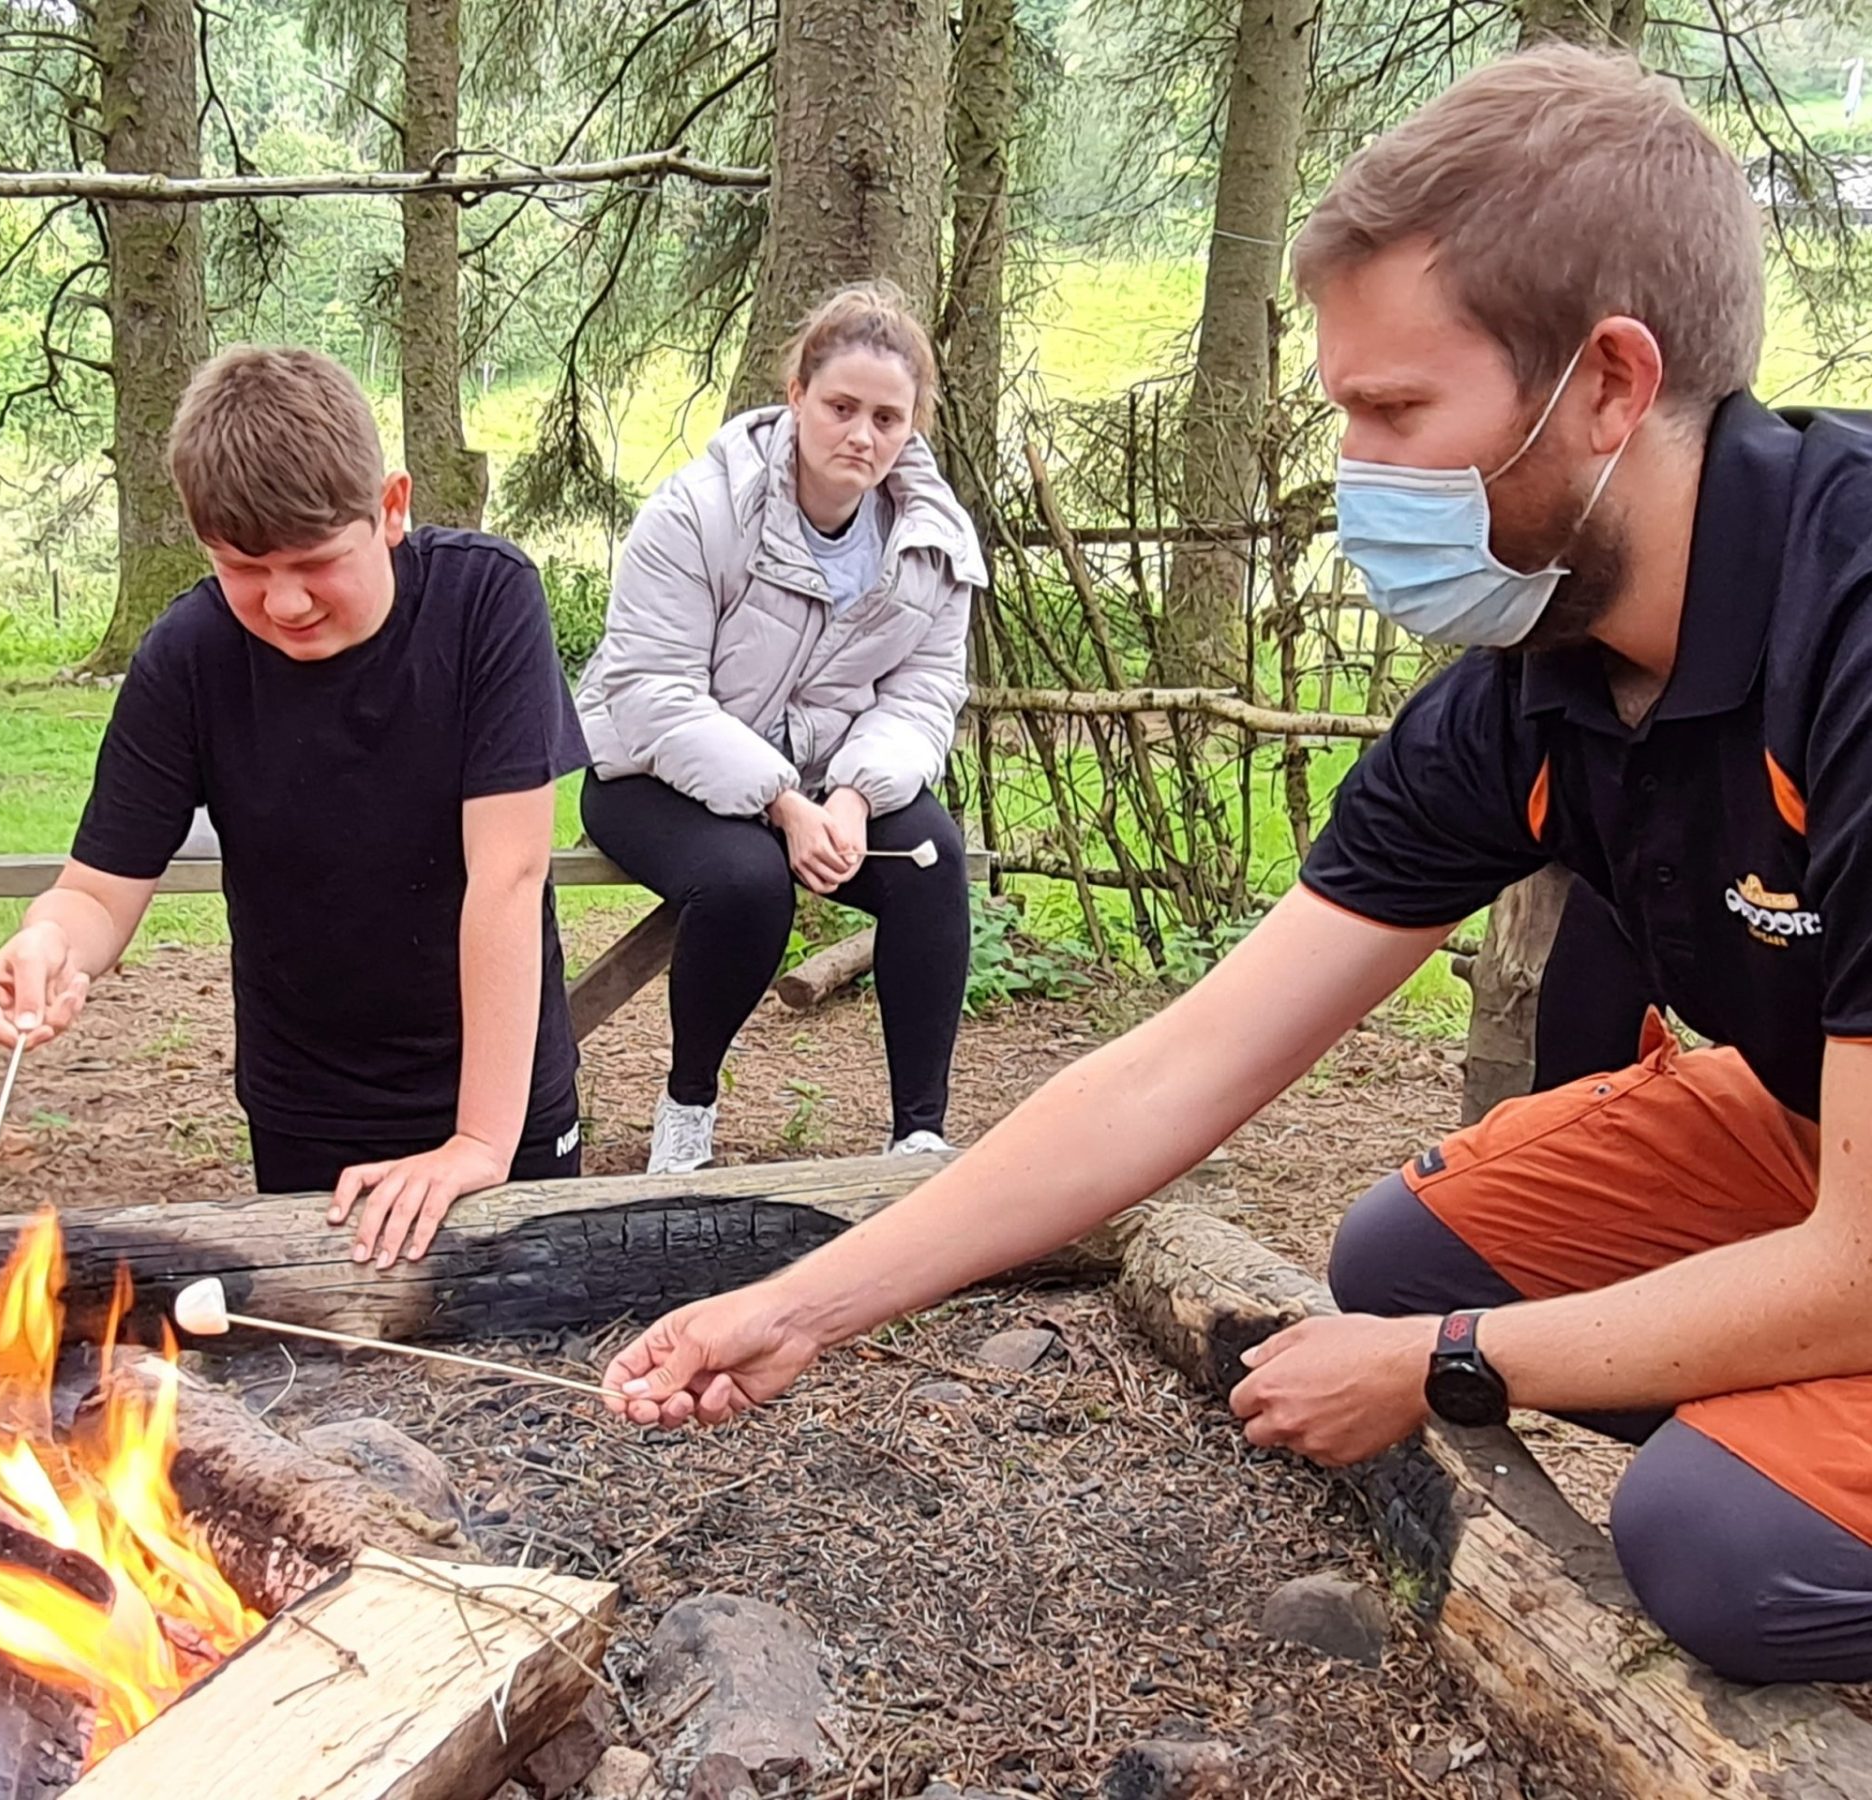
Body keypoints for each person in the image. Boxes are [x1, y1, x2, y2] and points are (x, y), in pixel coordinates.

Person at [604, 46, 1872, 1685]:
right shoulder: (1535, 694)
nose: (1359, 475)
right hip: (1818, 1127)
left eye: (1396, 411)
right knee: (1406, 1258)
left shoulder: (1846, 636)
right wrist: (800, 1305)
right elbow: (1178, 1069)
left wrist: (1452, 1367)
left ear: (1611, 386)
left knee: (1718, 1541)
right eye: (1344, 412)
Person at [0, 346, 586, 1268]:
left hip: (498, 1097)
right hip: (307, 1101)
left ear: (392, 508)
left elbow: (509, 874)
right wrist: (48, 943)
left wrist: (479, 1142)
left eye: (316, 562)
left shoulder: (485, 600)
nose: (284, 602)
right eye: (243, 567)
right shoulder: (189, 657)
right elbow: (98, 891)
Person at [576, 281, 985, 1174]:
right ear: (796, 395)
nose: (862, 435)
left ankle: (918, 1133)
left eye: (887, 417)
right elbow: (652, 691)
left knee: (932, 859)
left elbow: (924, 695)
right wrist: (781, 802)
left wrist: (854, 794)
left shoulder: (934, 543)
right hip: (649, 769)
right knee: (747, 880)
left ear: (911, 427)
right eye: (841, 407)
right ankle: (688, 1106)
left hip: (826, 774)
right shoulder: (696, 513)